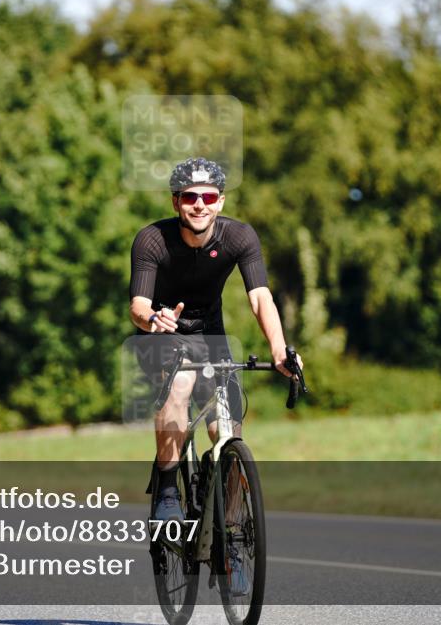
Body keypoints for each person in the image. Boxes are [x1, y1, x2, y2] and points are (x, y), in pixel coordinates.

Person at [129, 157, 302, 592]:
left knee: (228, 428)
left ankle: (227, 534)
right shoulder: (152, 239)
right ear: (176, 201)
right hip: (162, 334)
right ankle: (168, 490)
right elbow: (137, 305)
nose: (200, 205)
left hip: (211, 336)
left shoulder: (239, 236)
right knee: (181, 385)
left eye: (208, 197)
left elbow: (260, 297)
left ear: (220, 201)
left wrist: (280, 350)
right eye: (190, 197)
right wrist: (154, 320)